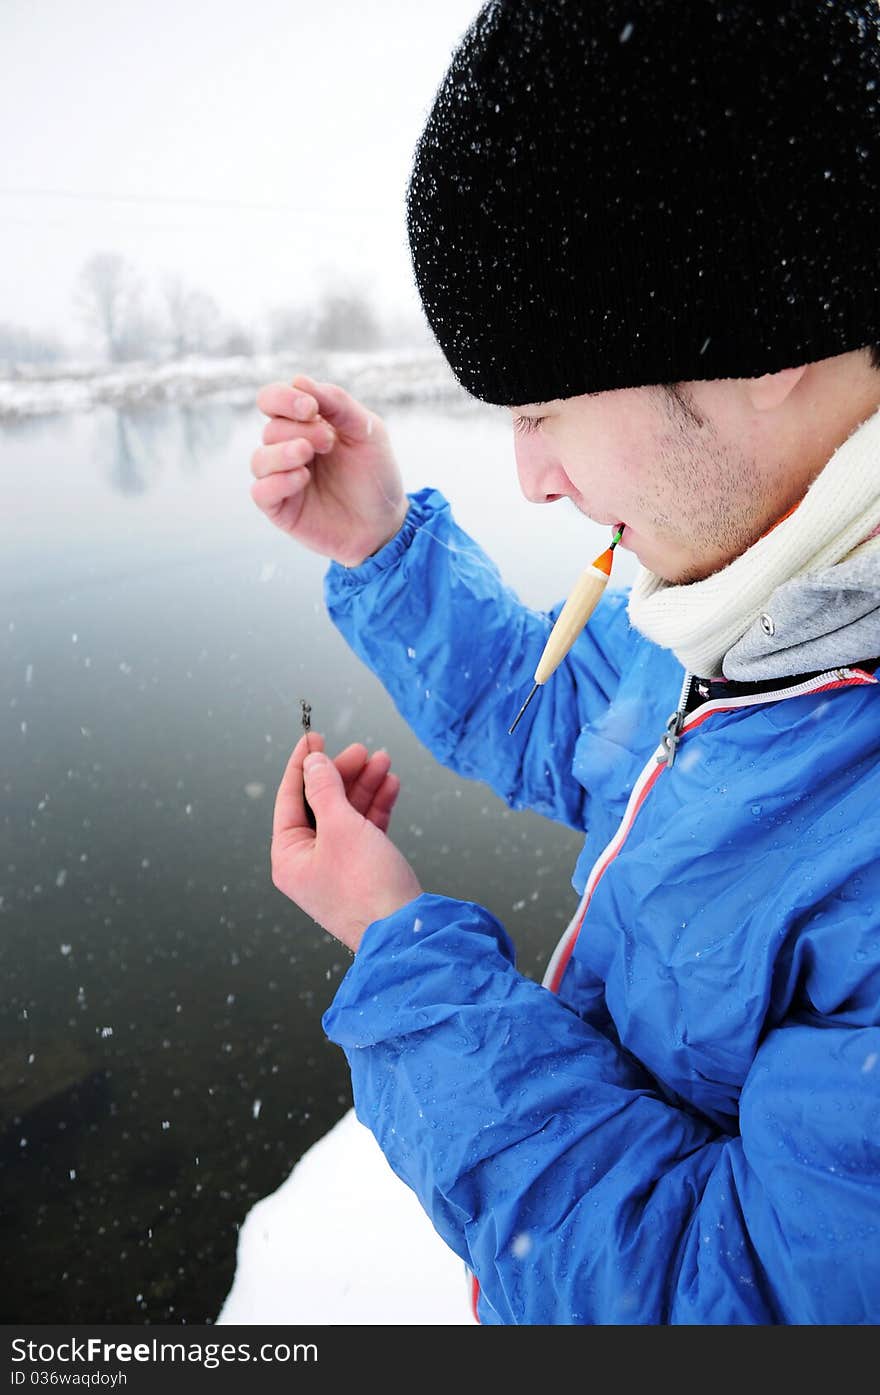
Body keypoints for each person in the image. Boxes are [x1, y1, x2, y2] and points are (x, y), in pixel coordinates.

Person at [249, 1, 880, 1324]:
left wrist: (398, 948)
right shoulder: (757, 586)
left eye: (542, 408)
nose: (532, 480)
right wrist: (382, 545)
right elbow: (584, 725)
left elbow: (721, 1298)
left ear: (763, 339)